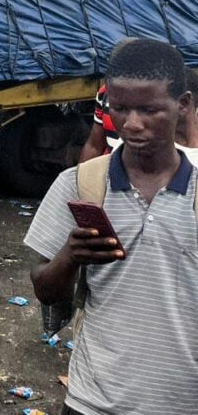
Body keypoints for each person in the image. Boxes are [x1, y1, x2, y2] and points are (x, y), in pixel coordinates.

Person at [26, 38, 198, 415]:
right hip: (93, 402)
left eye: (149, 109)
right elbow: (44, 289)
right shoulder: (79, 184)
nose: (131, 124)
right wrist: (70, 256)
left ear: (183, 105)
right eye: (119, 108)